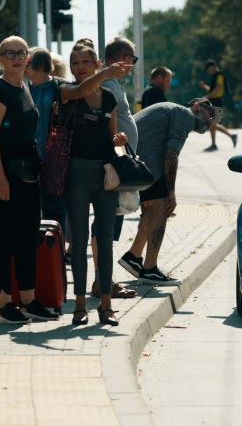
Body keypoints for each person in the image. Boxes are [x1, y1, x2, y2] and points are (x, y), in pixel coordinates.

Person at [0, 36, 59, 325]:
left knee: (28, 235)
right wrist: (0, 176)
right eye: (9, 53)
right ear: (0, 58)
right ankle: (4, 304)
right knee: (6, 236)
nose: (16, 58)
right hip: (3, 169)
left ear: (28, 57)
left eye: (21, 53)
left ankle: (28, 300)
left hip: (27, 170)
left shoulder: (24, 86)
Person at [62, 42, 130, 326]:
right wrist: (104, 74)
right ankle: (80, 306)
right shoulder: (67, 91)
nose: (79, 67)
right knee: (78, 242)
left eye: (85, 62)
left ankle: (106, 305)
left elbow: (112, 137)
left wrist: (119, 140)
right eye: (75, 62)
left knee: (105, 241)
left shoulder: (110, 98)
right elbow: (81, 90)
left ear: (96, 64)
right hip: (76, 173)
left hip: (104, 174)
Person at [118, 97, 217, 285]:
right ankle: (150, 269)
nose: (209, 120)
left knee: (153, 209)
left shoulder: (174, 111)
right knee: (162, 205)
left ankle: (133, 257)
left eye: (212, 118)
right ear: (196, 106)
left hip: (136, 159)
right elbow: (171, 154)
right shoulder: (185, 115)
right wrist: (171, 192)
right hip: (142, 162)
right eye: (208, 113)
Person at [94, 37, 139, 299]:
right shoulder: (108, 83)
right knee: (105, 226)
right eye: (132, 59)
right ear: (122, 58)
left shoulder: (113, 83)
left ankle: (103, 279)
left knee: (110, 226)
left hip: (118, 164)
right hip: (113, 166)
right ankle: (103, 281)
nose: (132, 64)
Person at [24, 47, 69, 238]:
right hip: (27, 159)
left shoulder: (59, 87)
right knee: (29, 210)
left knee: (55, 209)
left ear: (41, 65)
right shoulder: (22, 88)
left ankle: (56, 251)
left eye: (27, 63)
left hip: (53, 160)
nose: (23, 66)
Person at [197, 59, 237, 151]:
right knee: (212, 125)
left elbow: (218, 89)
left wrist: (207, 96)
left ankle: (231, 136)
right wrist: (204, 86)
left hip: (217, 102)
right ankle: (214, 144)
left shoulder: (219, 75)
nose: (208, 71)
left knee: (212, 124)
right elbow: (212, 90)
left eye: (208, 69)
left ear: (213, 67)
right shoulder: (215, 76)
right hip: (214, 101)